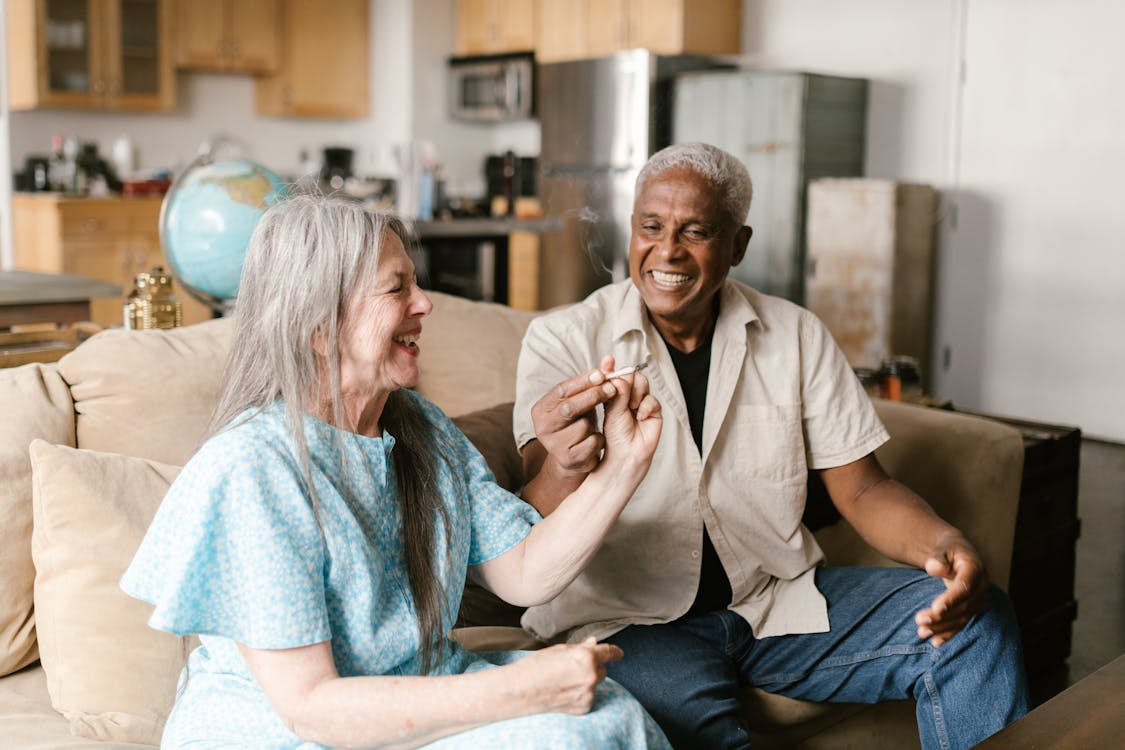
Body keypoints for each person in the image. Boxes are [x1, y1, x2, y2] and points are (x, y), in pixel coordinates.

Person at [513, 142, 1029, 750]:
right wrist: (569, 463)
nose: (667, 250)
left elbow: (863, 488)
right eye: (651, 226)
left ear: (738, 245)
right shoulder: (563, 341)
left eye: (696, 231)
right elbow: (530, 511)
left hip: (772, 603)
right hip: (628, 623)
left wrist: (945, 545)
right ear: (632, 229)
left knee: (978, 621)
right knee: (701, 732)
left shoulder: (796, 335)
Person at [120, 194, 670, 749]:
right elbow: (310, 708)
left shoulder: (419, 429)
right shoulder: (253, 469)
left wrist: (623, 465)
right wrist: (523, 689)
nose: (425, 303)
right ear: (320, 326)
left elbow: (524, 573)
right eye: (396, 287)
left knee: (609, 716)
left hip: (414, 693)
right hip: (297, 731)